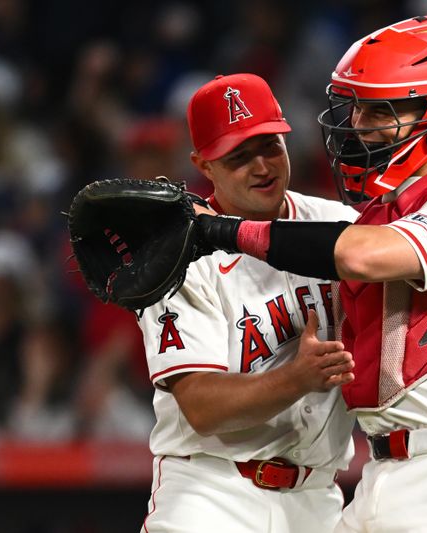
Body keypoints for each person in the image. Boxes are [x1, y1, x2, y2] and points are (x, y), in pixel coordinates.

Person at [196, 16, 427, 532]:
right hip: (379, 477)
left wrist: (222, 231)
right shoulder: (392, 210)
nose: (358, 122)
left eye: (381, 108)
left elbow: (359, 256)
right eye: (356, 105)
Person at [137, 73, 359, 533]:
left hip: (318, 499)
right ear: (204, 165)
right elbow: (201, 406)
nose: (262, 166)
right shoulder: (180, 255)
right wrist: (297, 377)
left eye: (270, 146)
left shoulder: (340, 227)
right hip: (212, 494)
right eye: (239, 156)